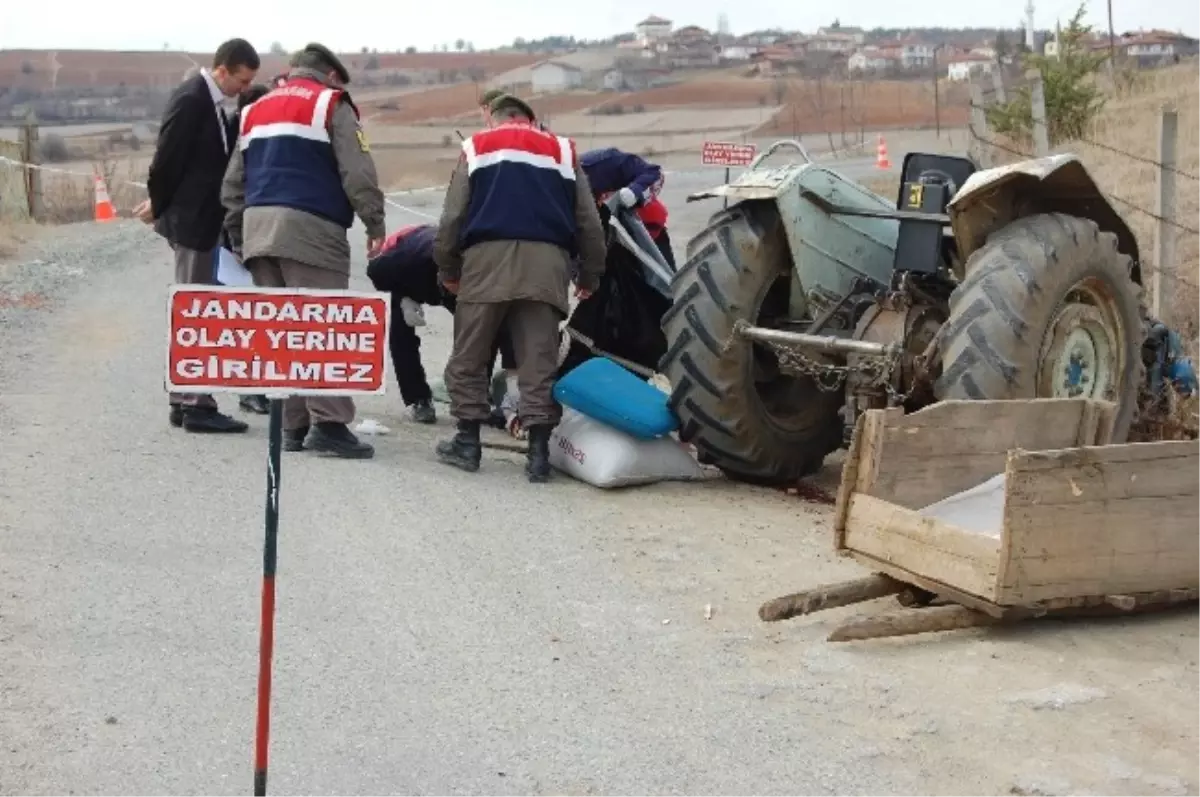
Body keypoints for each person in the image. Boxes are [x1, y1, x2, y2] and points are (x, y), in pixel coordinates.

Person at [222, 42, 387, 460]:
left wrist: (239, 236)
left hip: (259, 226)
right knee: (322, 321)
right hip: (310, 227)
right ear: (330, 76)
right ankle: (329, 423)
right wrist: (374, 221)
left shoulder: (254, 109)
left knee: (282, 329)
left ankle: (292, 425)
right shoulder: (332, 104)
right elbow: (357, 169)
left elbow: (233, 183)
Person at [433, 93, 606, 482]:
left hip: (484, 262)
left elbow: (453, 216)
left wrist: (448, 268)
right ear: (531, 119)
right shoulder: (563, 150)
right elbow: (589, 222)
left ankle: (467, 443)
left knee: (471, 355)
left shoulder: (477, 146)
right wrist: (590, 274)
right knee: (537, 360)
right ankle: (538, 455)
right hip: (547, 265)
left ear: (495, 118)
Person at [138, 38, 260, 434]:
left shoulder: (214, 103)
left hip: (205, 222)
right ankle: (196, 402)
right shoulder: (192, 98)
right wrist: (159, 203)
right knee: (196, 311)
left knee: (196, 306)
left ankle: (184, 397)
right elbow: (167, 157)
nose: (244, 89)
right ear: (222, 69)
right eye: (241, 80)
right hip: (192, 221)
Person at [365, 223, 518, 427]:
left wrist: (514, 374)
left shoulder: (485, 270)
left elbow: (503, 329)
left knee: (483, 332)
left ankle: (475, 399)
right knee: (401, 335)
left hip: (457, 279)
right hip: (404, 274)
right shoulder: (406, 262)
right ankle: (418, 399)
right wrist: (405, 298)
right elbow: (374, 271)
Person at [221, 82, 272, 416]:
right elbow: (233, 188)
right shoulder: (243, 133)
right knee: (247, 314)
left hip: (243, 231)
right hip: (236, 235)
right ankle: (248, 390)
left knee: (252, 313)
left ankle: (256, 388)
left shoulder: (240, 129)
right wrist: (237, 240)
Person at [579, 147, 675, 268]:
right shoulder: (558, 194)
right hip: (606, 248)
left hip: (648, 235)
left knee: (666, 283)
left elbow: (654, 172)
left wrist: (634, 191)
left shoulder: (602, 163)